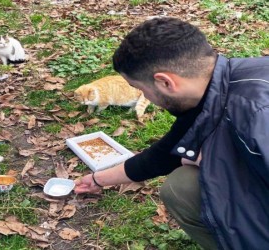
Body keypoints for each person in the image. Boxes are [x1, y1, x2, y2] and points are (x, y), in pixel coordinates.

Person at [74, 17, 269, 250]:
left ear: (165, 83)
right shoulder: (215, 87)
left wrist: (215, 163)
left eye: (140, 88)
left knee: (185, 186)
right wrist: (96, 180)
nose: (144, 97)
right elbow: (164, 155)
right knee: (182, 183)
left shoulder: (256, 116)